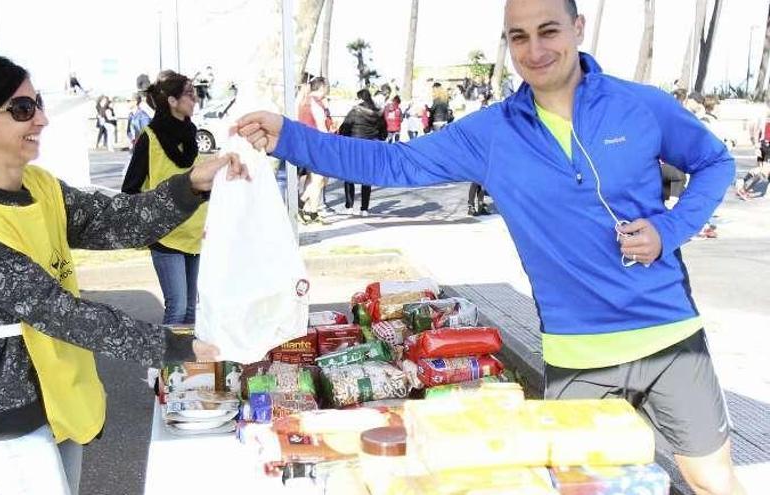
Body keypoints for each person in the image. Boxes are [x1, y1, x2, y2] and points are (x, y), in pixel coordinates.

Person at [235, 1, 744, 493]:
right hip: (579, 355)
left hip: (671, 337)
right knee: (581, 490)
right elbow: (393, 164)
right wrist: (290, 138)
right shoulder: (492, 133)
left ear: (578, 28)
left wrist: (669, 231)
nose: (535, 49)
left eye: (549, 30)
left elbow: (715, 162)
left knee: (711, 482)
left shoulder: (641, 105)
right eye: (518, 36)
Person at [0, 55, 244, 495]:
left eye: (38, 104)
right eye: (23, 109)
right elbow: (60, 312)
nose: (42, 119)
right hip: (3, 405)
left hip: (58, 389)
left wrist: (192, 185)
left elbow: (116, 220)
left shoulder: (40, 186)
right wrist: (178, 346)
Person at [122, 71, 215, 326]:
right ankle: (168, 365)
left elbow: (198, 183)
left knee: (191, 311)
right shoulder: (149, 138)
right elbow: (130, 190)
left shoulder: (193, 136)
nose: (195, 99)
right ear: (172, 101)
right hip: (165, 235)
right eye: (189, 94)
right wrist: (152, 218)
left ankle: (190, 366)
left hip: (194, 234)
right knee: (177, 307)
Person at [338, 89, 386, 217]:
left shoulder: (355, 112)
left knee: (349, 176)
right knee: (366, 178)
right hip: (370, 148)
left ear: (360, 99)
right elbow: (384, 133)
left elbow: (344, 129)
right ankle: (364, 209)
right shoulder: (378, 113)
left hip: (354, 147)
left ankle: (349, 206)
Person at [296, 77, 334, 224]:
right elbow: (321, 127)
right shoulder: (316, 104)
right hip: (316, 145)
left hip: (305, 143)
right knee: (320, 179)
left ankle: (309, 210)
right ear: (322, 88)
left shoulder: (303, 101)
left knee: (313, 179)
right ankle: (302, 204)